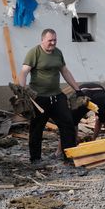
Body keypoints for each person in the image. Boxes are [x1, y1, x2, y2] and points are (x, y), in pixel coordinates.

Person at [19, 28, 84, 163]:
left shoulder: (58, 53)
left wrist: (77, 90)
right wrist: (22, 90)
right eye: (50, 40)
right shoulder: (34, 53)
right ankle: (35, 158)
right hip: (39, 98)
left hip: (57, 96)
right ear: (42, 40)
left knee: (68, 124)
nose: (53, 43)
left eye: (55, 40)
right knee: (37, 128)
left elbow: (65, 71)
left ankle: (69, 157)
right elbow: (24, 72)